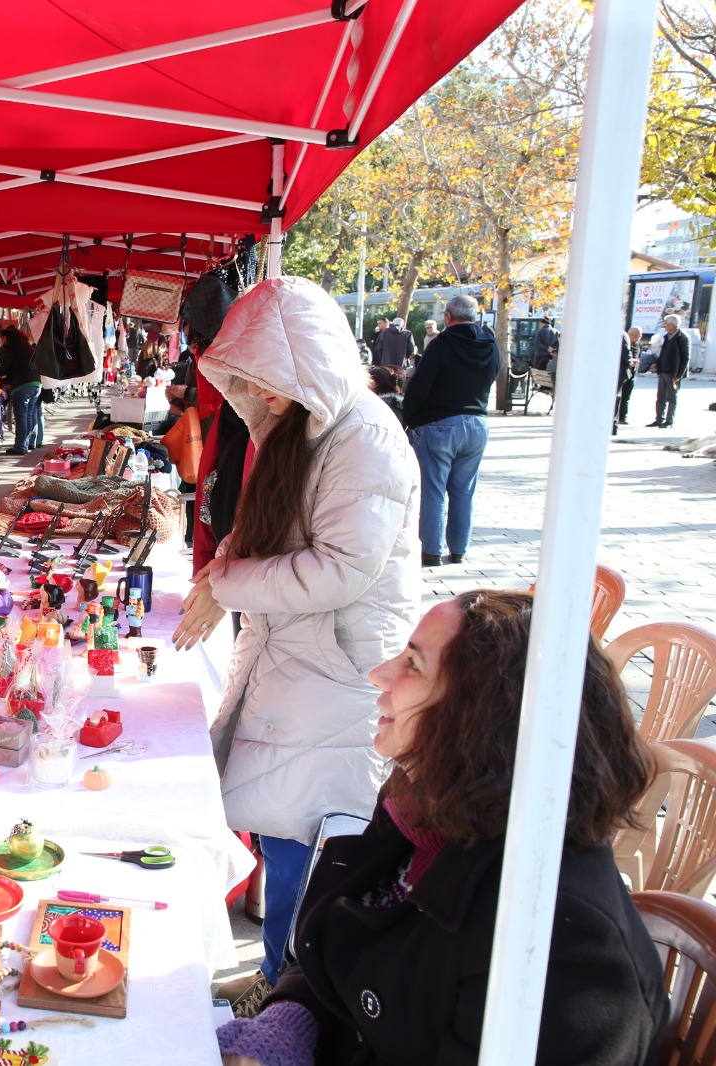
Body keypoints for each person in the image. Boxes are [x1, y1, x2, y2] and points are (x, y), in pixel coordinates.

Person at [217, 590, 668, 1065]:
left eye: (414, 663)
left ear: (482, 714)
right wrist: (288, 1024)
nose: (380, 674)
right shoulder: (423, 808)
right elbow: (337, 946)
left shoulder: (558, 942)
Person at [173, 276, 421, 1014]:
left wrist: (232, 581)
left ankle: (293, 998)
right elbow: (266, 533)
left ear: (304, 363)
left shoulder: (367, 438)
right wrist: (227, 575)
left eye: (263, 378)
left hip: (339, 671)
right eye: (245, 379)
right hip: (296, 662)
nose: (257, 393)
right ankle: (280, 978)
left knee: (310, 844)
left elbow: (340, 568)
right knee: (285, 831)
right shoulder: (296, 430)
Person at [401, 293, 502, 568]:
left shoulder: (441, 344)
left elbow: (420, 386)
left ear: (447, 317)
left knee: (433, 489)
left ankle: (432, 551)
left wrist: (407, 417)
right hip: (477, 423)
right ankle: (459, 549)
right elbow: (494, 373)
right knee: (464, 491)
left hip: (440, 424)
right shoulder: (491, 345)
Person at [0, 325, 42, 455]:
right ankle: (26, 443)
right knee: (29, 415)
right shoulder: (25, 345)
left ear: (4, 337)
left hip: (23, 384)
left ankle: (20, 447)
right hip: (36, 382)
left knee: (21, 416)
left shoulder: (9, 347)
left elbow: (1, 369)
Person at [648, 313, 690, 428]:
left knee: (671, 397)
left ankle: (669, 421)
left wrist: (679, 375)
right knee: (660, 397)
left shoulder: (682, 337)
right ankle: (659, 419)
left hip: (674, 373)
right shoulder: (667, 337)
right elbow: (663, 354)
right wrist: (657, 364)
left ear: (672, 325)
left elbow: (686, 358)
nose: (665, 325)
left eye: (666, 323)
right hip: (663, 372)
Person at [619, 325, 642, 428]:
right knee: (618, 396)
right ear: (631, 334)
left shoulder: (638, 345)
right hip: (622, 373)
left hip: (631, 374)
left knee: (626, 397)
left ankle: (623, 417)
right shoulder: (623, 341)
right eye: (638, 335)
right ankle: (616, 417)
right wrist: (630, 361)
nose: (639, 337)